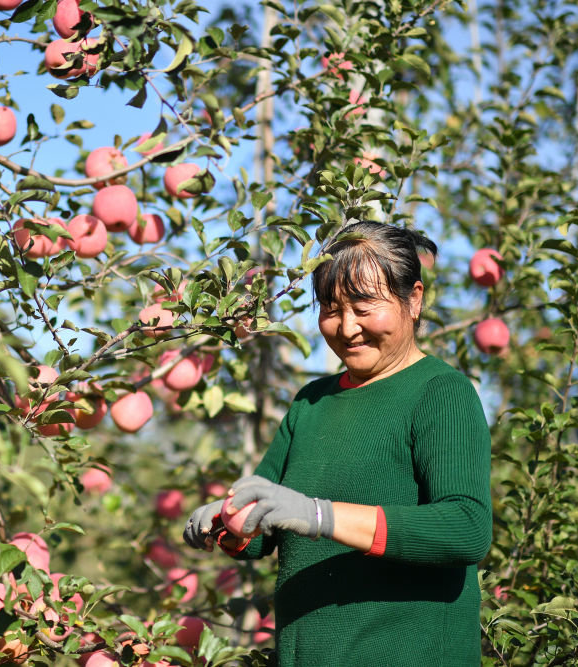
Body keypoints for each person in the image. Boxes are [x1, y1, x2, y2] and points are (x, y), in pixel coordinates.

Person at [183, 221, 493, 666]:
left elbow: (466, 528)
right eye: (331, 307)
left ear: (414, 299)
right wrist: (224, 519)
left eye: (365, 306)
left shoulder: (439, 392)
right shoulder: (311, 403)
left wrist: (319, 516)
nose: (346, 328)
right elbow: (259, 533)